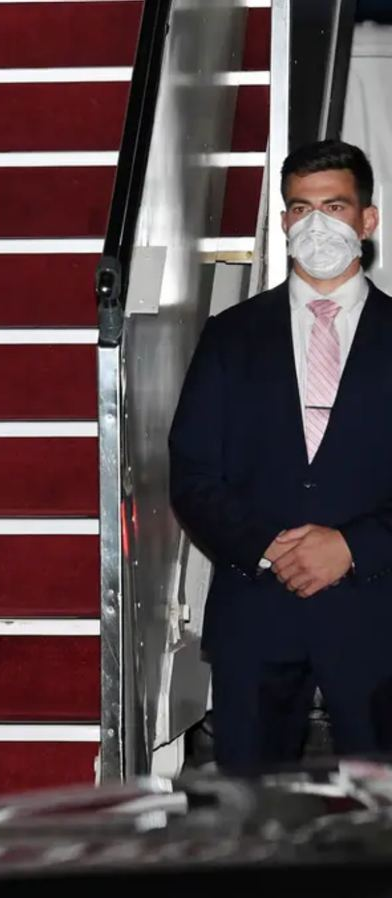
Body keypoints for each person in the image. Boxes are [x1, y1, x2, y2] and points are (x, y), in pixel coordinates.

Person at [170, 139, 392, 774]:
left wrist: (351, 547)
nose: (316, 225)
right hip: (256, 616)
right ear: (285, 220)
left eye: (335, 207)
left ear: (367, 220)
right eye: (300, 208)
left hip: (377, 617)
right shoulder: (229, 335)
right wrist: (271, 546)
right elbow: (192, 472)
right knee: (250, 813)